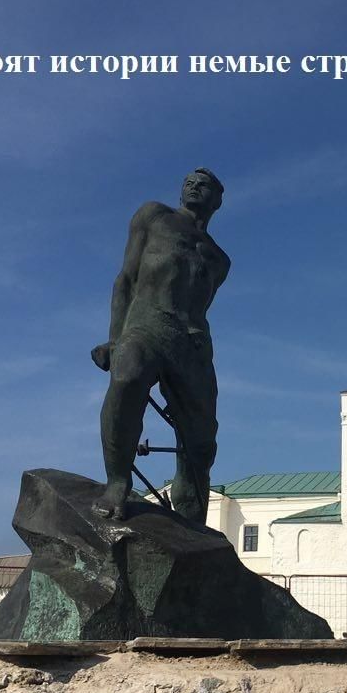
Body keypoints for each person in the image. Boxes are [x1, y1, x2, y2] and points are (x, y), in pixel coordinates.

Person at [91, 168, 230, 524]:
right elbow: (126, 279)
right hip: (148, 323)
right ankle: (117, 483)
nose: (194, 186)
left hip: (194, 343)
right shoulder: (154, 216)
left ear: (218, 200)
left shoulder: (219, 259)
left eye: (204, 185)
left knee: (201, 441)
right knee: (127, 381)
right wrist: (114, 336)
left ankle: (192, 518)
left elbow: (199, 302)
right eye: (189, 182)